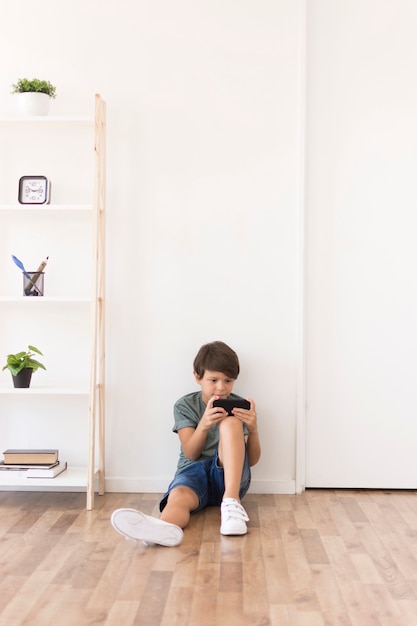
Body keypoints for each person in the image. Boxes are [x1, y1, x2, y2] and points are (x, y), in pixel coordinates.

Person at [111, 340, 261, 547]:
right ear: (197, 377)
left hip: (229, 478)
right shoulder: (185, 405)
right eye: (213, 380)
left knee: (231, 423)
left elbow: (251, 460)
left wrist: (253, 429)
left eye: (228, 381)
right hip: (194, 470)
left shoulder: (238, 407)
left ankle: (231, 502)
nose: (221, 387)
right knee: (179, 497)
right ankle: (161, 528)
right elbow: (191, 453)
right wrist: (204, 425)